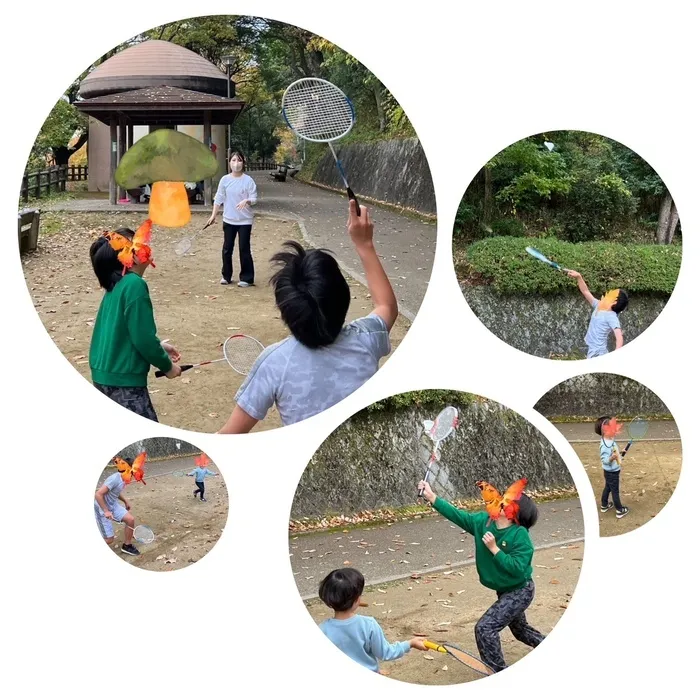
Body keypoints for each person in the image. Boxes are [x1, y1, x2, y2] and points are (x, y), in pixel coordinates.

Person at [217, 201, 398, 433]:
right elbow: (386, 305)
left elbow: (229, 435)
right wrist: (364, 244)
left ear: (284, 310)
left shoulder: (274, 362)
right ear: (344, 296)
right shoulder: (366, 338)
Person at [418, 479, 545, 674]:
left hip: (521, 590)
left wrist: (495, 549)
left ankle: (497, 672)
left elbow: (518, 569)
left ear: (516, 514)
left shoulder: (520, 535)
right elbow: (458, 516)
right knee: (521, 631)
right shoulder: (484, 522)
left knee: (485, 629)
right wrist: (431, 497)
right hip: (504, 590)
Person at [89, 222, 182, 421]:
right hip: (123, 382)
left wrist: (160, 346)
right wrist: (167, 366)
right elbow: (142, 338)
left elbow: (123, 332)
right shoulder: (134, 285)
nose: (147, 246)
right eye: (140, 244)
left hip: (104, 375)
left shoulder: (118, 284)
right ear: (129, 257)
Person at [318, 568, 426, 673]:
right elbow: (385, 653)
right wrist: (410, 643)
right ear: (357, 599)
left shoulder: (323, 629)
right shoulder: (368, 625)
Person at [207, 151, 258, 287]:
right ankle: (226, 276)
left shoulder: (248, 181)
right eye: (234, 160)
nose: (236, 163)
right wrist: (213, 215)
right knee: (227, 248)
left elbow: (254, 199)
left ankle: (247, 278)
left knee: (244, 248)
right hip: (229, 219)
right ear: (229, 162)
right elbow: (219, 198)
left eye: (239, 160)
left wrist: (247, 201)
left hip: (245, 221)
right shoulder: (225, 180)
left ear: (243, 163)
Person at [567, 270, 628, 358]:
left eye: (611, 294)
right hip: (593, 351)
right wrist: (579, 277)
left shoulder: (611, 316)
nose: (608, 292)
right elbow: (585, 291)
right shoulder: (598, 305)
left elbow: (619, 337)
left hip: (598, 353)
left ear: (614, 302)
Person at [94, 466, 141, 556]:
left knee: (130, 520)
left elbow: (115, 491)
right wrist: (106, 511)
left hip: (113, 505)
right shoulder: (115, 479)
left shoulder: (125, 478)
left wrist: (125, 501)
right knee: (109, 540)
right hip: (101, 507)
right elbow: (98, 494)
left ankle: (127, 546)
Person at [595, 416, 629, 518]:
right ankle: (619, 510)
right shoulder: (605, 445)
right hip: (612, 472)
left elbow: (614, 451)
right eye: (612, 427)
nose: (616, 429)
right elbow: (604, 460)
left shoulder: (609, 440)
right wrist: (611, 458)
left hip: (610, 471)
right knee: (615, 490)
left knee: (608, 487)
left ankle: (604, 505)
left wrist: (620, 453)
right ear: (605, 430)